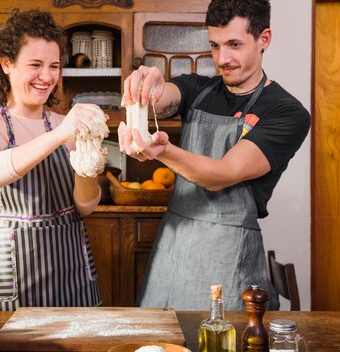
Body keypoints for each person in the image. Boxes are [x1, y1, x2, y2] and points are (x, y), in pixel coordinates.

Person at [118, 0, 310, 310]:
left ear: (264, 39)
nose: (223, 59)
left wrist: (164, 151)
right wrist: (150, 87)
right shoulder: (198, 89)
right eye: (215, 46)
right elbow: (166, 96)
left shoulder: (287, 113)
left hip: (228, 256)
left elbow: (222, 174)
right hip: (173, 245)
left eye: (234, 45)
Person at [0, 8, 104, 311]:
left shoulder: (66, 124)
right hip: (10, 279)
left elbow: (85, 207)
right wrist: (60, 134)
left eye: (54, 66)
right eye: (35, 65)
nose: (47, 77)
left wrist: (89, 164)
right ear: (6, 63)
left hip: (70, 273)